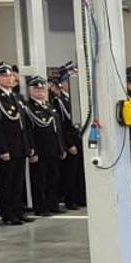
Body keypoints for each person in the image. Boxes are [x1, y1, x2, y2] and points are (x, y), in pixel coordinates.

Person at [0, 62, 32, 223]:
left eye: (11, 75)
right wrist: (2, 148)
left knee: (18, 181)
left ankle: (18, 210)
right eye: (4, 76)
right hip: (7, 147)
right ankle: (7, 213)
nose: (9, 78)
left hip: (19, 145)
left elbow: (24, 125)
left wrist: (28, 145)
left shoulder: (16, 97)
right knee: (7, 182)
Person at [24, 75, 63, 215]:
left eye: (42, 89)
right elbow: (28, 131)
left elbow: (57, 129)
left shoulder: (49, 106)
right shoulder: (28, 108)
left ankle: (52, 204)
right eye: (37, 89)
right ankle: (41, 207)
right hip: (40, 149)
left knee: (53, 178)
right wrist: (32, 150)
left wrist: (61, 147)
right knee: (40, 180)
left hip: (53, 148)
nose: (40, 92)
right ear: (30, 91)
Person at [52, 63, 85, 210]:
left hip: (80, 138)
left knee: (80, 171)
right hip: (71, 141)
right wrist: (69, 143)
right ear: (63, 84)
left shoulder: (76, 99)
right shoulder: (59, 101)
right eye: (70, 82)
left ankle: (80, 197)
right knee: (70, 173)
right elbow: (62, 126)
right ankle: (70, 199)